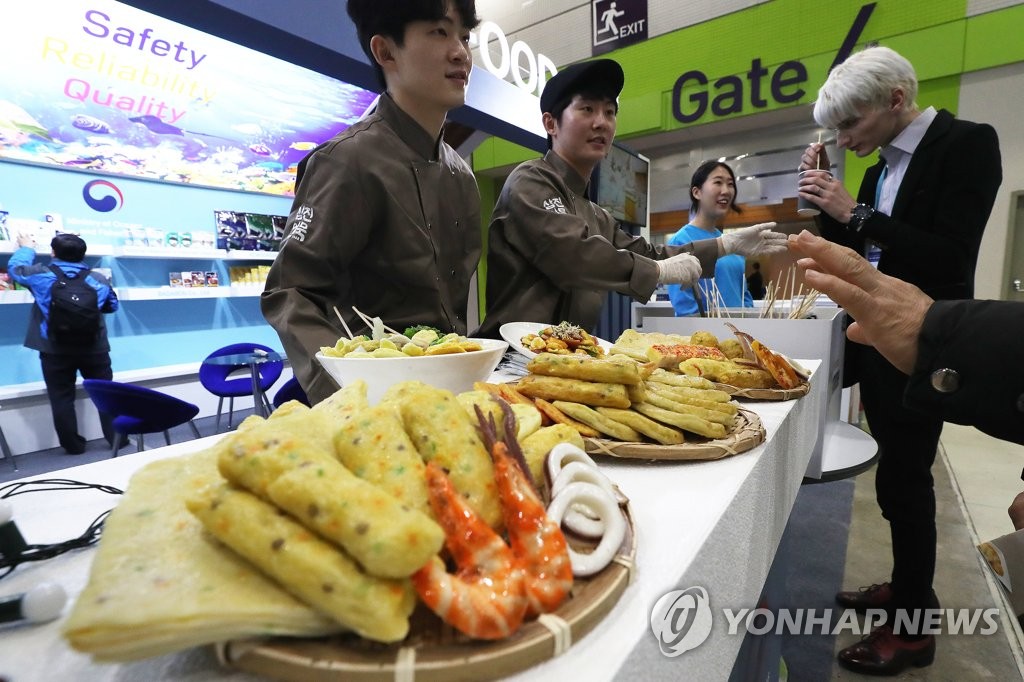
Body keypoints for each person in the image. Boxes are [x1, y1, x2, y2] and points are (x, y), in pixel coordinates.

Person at [796, 45, 1002, 674]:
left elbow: (947, 257)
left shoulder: (968, 143)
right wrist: (823, 199)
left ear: (894, 100)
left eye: (851, 124)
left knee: (908, 483)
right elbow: (855, 248)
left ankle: (913, 631)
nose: (845, 137)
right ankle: (909, 589)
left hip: (926, 343)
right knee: (894, 479)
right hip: (877, 342)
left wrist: (852, 211)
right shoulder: (873, 166)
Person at [261, 0, 482, 405]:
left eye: (465, 37)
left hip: (450, 395)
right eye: (439, 31)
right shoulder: (346, 160)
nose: (460, 52)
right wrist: (351, 395)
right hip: (374, 405)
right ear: (385, 51)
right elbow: (291, 292)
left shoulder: (461, 175)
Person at [475, 59, 786, 337]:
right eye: (587, 109)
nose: (601, 122)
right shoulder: (530, 180)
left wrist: (725, 245)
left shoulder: (598, 216)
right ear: (550, 123)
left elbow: (652, 254)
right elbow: (572, 255)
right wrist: (657, 272)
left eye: (609, 112)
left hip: (565, 359)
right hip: (512, 360)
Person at [789, 230, 1023, 446]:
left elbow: (953, 255)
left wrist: (933, 329)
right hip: (885, 345)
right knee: (889, 452)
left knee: (906, 463)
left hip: (913, 351)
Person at [7, 232, 118, 454]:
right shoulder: (98, 279)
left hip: (55, 349)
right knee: (107, 394)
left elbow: (15, 269)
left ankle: (73, 446)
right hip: (94, 347)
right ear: (83, 254)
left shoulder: (40, 275)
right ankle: (116, 439)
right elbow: (112, 305)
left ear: (53, 252)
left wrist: (27, 247)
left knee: (61, 397)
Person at [666, 160, 755, 316]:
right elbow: (686, 310)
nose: (726, 190)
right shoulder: (680, 242)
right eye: (718, 182)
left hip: (740, 335)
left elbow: (744, 296)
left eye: (730, 184)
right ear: (697, 192)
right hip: (706, 337)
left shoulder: (732, 244)